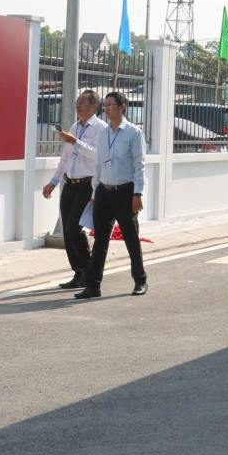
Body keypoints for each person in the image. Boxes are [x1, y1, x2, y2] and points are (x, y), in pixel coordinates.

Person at [75, 91, 149, 299]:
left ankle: (140, 280)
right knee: (100, 240)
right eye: (105, 105)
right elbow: (98, 165)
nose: (106, 109)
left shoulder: (133, 133)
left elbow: (139, 166)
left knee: (131, 238)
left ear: (122, 107)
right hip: (103, 192)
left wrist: (138, 193)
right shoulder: (104, 134)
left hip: (125, 192)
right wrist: (94, 192)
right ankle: (93, 285)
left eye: (110, 105)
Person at [42, 89, 104, 289]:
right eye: (77, 102)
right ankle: (79, 272)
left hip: (87, 184)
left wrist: (76, 142)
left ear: (94, 106)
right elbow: (65, 158)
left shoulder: (101, 128)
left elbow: (97, 155)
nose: (77, 106)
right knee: (67, 232)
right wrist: (53, 181)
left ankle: (88, 270)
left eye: (82, 103)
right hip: (70, 184)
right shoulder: (74, 127)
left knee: (74, 227)